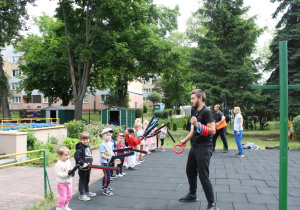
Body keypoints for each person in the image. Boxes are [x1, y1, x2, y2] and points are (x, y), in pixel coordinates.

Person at [178, 89, 219, 210]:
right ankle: (192, 194)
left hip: (205, 147)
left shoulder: (207, 112)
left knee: (203, 175)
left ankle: (212, 204)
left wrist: (198, 125)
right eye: (191, 98)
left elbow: (213, 131)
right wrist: (185, 140)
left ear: (200, 98)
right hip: (194, 146)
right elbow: (193, 130)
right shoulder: (194, 110)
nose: (191, 100)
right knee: (190, 171)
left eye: (193, 98)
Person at [74, 132, 96, 201]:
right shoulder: (80, 148)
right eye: (83, 140)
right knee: (82, 180)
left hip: (88, 166)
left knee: (87, 179)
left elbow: (88, 155)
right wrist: (82, 163)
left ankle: (87, 191)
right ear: (81, 140)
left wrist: (90, 163)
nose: (86, 141)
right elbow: (77, 157)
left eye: (87, 139)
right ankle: (81, 194)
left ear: (89, 139)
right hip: (82, 167)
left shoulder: (88, 147)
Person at [100, 128, 116, 196]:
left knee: (108, 174)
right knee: (107, 175)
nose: (109, 136)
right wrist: (108, 157)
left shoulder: (111, 143)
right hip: (104, 161)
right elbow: (102, 155)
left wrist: (115, 157)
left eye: (110, 135)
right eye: (107, 135)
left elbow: (111, 151)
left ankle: (105, 185)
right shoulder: (102, 145)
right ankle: (105, 188)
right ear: (103, 136)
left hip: (110, 161)